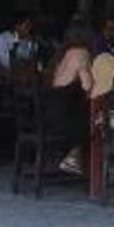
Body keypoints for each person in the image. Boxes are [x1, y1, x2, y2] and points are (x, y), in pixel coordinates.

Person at [46, 27, 94, 176]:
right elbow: (87, 86)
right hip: (63, 119)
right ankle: (76, 156)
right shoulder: (81, 53)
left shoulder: (60, 55)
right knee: (97, 119)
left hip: (46, 115)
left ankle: (75, 156)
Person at [0, 11, 34, 97]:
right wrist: (8, 73)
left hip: (19, 79)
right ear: (17, 26)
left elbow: (28, 61)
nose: (28, 29)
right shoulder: (1, 39)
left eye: (29, 27)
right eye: (26, 26)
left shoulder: (28, 42)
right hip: (1, 80)